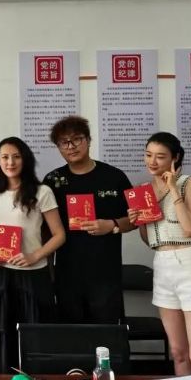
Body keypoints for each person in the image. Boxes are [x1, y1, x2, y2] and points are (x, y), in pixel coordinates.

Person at [129, 132, 191, 375]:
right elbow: (150, 241)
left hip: (190, 263)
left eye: (160, 156)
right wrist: (139, 222)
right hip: (163, 265)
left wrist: (172, 189)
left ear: (175, 158)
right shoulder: (144, 190)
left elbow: (190, 229)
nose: (152, 161)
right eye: (148, 155)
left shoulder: (189, 182)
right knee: (178, 352)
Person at [0, 137, 65, 373]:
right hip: (0, 274)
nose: (10, 162)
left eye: (16, 156)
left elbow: (59, 235)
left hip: (32, 275)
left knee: (33, 334)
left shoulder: (42, 192)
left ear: (25, 159)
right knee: (0, 331)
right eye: (5, 157)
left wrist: (35, 256)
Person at [42, 116, 134, 324]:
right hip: (67, 273)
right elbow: (45, 230)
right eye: (64, 142)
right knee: (71, 333)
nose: (71, 146)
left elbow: (136, 219)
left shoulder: (114, 177)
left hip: (106, 273)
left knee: (107, 333)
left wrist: (112, 225)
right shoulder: (52, 181)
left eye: (77, 139)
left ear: (88, 140)